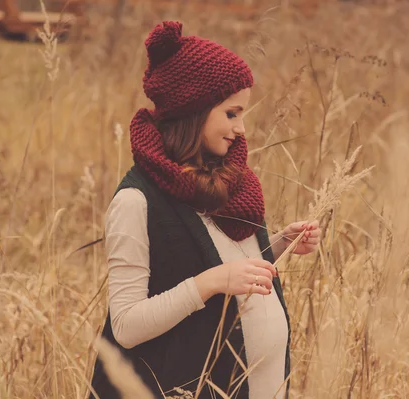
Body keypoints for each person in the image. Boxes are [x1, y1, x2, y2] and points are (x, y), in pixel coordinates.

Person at [89, 21, 322, 399]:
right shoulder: (136, 201)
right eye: (231, 114)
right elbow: (127, 325)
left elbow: (222, 260)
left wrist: (279, 244)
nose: (241, 128)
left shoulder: (232, 182)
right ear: (194, 108)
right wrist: (210, 283)